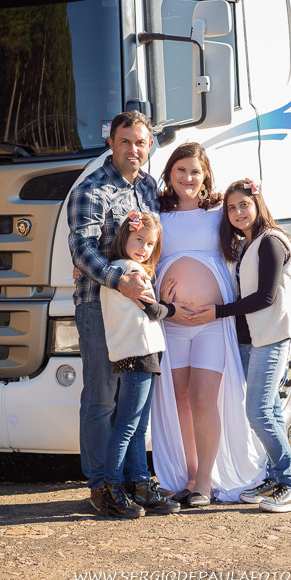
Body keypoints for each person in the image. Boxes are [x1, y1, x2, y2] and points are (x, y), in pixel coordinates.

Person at [150, 143, 265, 505]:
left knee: (204, 397)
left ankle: (204, 483)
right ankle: (187, 475)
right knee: (179, 398)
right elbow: (139, 253)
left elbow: (251, 227)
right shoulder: (157, 214)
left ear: (206, 176)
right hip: (173, 321)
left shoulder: (218, 212)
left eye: (195, 171)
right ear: (169, 173)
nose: (187, 177)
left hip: (211, 321)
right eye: (180, 170)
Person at [187, 178, 291, 512]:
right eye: (231, 207)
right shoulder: (247, 243)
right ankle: (276, 477)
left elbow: (265, 297)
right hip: (253, 338)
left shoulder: (270, 242)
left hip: (272, 337)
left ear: (258, 205)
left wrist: (218, 312)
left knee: (258, 412)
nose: (239, 212)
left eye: (245, 205)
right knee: (268, 412)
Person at [67, 110, 164, 512]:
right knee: (102, 398)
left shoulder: (149, 188)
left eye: (140, 142)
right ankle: (100, 487)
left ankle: (133, 481)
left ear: (149, 146)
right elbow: (81, 249)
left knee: (135, 403)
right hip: (98, 306)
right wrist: (116, 278)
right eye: (125, 141)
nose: (133, 149)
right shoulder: (92, 189)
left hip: (138, 311)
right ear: (111, 143)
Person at [97, 210, 182, 519]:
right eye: (139, 239)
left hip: (141, 353)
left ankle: (140, 484)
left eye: (150, 244)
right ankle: (113, 488)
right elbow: (153, 311)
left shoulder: (122, 269)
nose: (144, 248)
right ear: (125, 238)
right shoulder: (129, 271)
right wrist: (173, 305)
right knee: (127, 426)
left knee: (136, 427)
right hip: (138, 353)